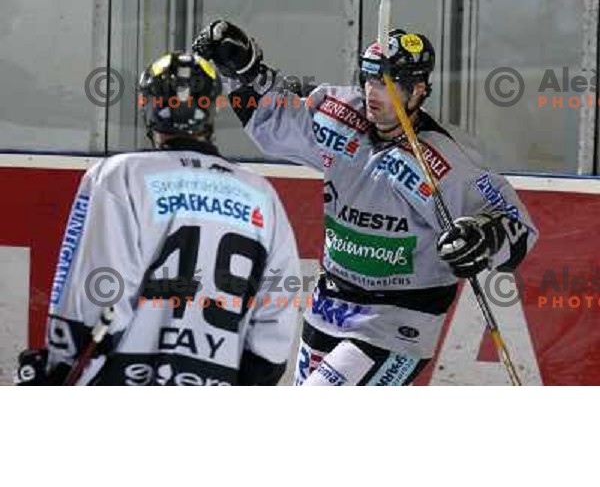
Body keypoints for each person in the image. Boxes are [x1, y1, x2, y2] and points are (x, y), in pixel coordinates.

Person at [192, 21, 539, 386]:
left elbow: (515, 224)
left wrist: (483, 236)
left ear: (418, 90)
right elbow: (273, 118)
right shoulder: (339, 114)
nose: (373, 93)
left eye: (387, 85)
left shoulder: (447, 159)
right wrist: (241, 70)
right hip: (328, 307)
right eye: (369, 80)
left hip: (397, 323)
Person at [15, 51, 301, 386]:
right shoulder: (260, 194)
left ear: (148, 106)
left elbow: (95, 298)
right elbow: (278, 316)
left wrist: (60, 370)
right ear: (213, 107)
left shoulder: (119, 176)